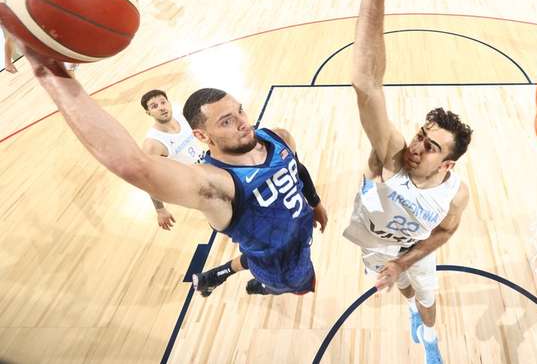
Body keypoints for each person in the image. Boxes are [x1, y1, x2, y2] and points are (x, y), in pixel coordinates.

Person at [17, 48, 329, 297]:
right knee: (288, 284)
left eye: (240, 111)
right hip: (282, 267)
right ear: (202, 137)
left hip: (295, 232)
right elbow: (133, 165)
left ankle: (216, 274)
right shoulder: (214, 185)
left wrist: (314, 202)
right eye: (225, 121)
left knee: (258, 253)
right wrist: (51, 73)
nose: (243, 122)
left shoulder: (276, 136)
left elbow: (297, 167)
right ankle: (264, 287)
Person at [346, 0, 472, 364]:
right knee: (399, 288)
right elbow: (367, 85)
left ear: (448, 164)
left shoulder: (457, 193)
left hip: (412, 249)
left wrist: (408, 258)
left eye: (432, 146)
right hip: (376, 241)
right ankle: (410, 305)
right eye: (421, 134)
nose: (417, 146)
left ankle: (431, 337)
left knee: (425, 294)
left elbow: (448, 229)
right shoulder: (396, 156)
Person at [140, 89, 204, 230]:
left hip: (208, 167)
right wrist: (160, 210)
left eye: (163, 102)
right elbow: (148, 179)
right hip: (193, 186)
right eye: (154, 106)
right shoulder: (153, 144)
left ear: (169, 103)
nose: (161, 107)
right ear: (148, 113)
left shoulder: (183, 117)